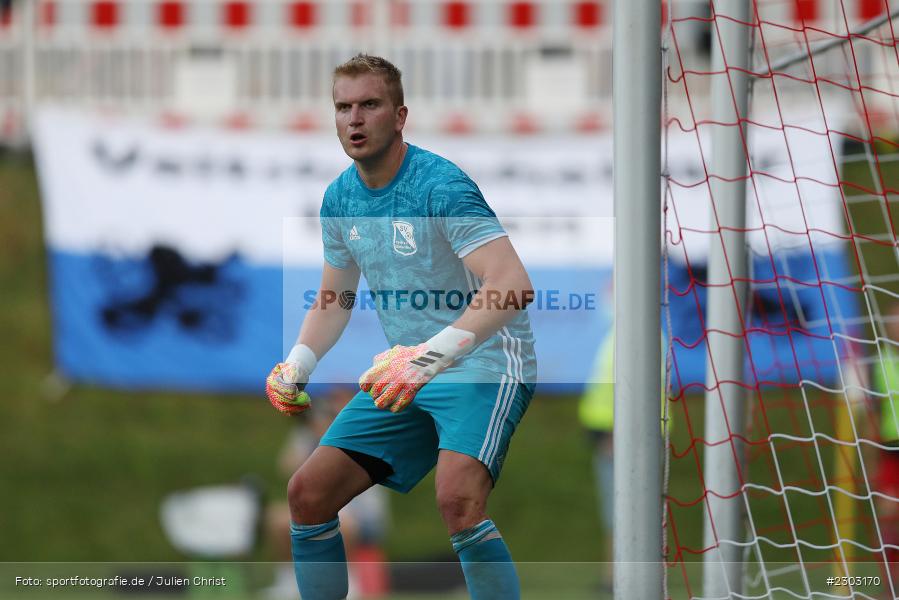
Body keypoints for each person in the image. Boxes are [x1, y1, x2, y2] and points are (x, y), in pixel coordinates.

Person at [265, 54, 537, 600]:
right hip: (407, 371)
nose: (355, 119)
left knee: (457, 500)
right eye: (343, 107)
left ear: (400, 114)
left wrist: (427, 359)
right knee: (307, 493)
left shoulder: (440, 185)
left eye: (370, 104)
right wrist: (298, 362)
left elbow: (512, 284)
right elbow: (334, 297)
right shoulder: (340, 198)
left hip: (482, 360)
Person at [263, 387, 389, 599]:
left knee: (345, 524)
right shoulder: (307, 435)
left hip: (360, 512)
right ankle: (288, 581)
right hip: (321, 506)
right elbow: (287, 468)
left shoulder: (358, 432)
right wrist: (313, 438)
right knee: (277, 520)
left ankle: (351, 581)